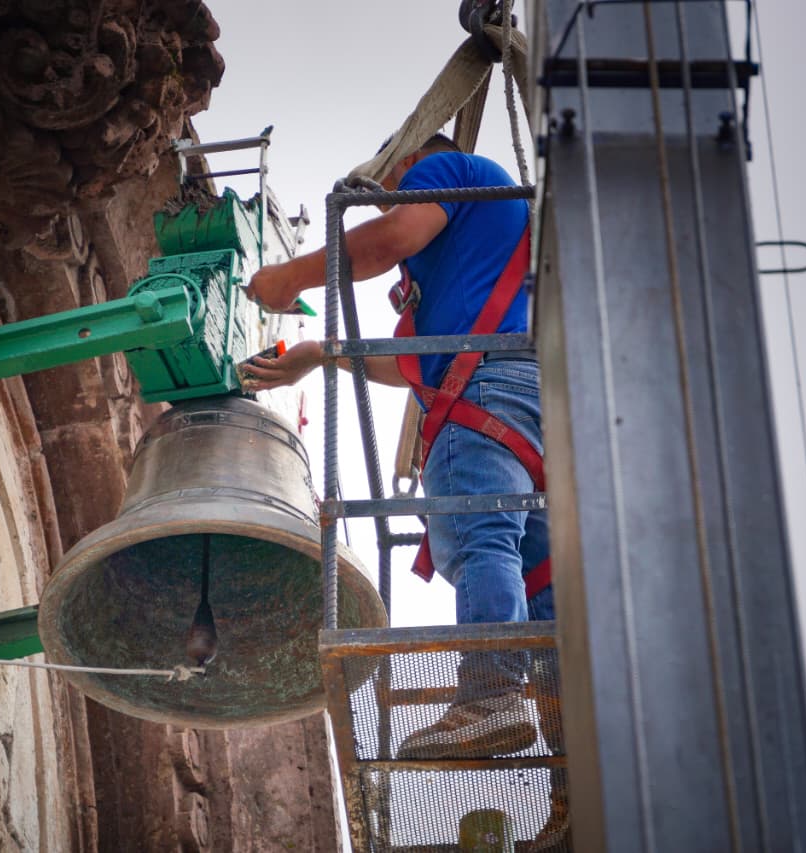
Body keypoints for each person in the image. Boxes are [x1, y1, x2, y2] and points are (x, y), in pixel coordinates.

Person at [243, 134, 566, 848]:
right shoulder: (481, 260)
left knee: (480, 537)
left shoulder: (449, 171)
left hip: (481, 395)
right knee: (539, 584)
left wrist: (289, 277)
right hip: (531, 405)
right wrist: (320, 356)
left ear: (412, 164)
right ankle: (571, 782)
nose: (391, 201)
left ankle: (490, 694)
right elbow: (407, 362)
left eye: (395, 190)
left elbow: (385, 242)